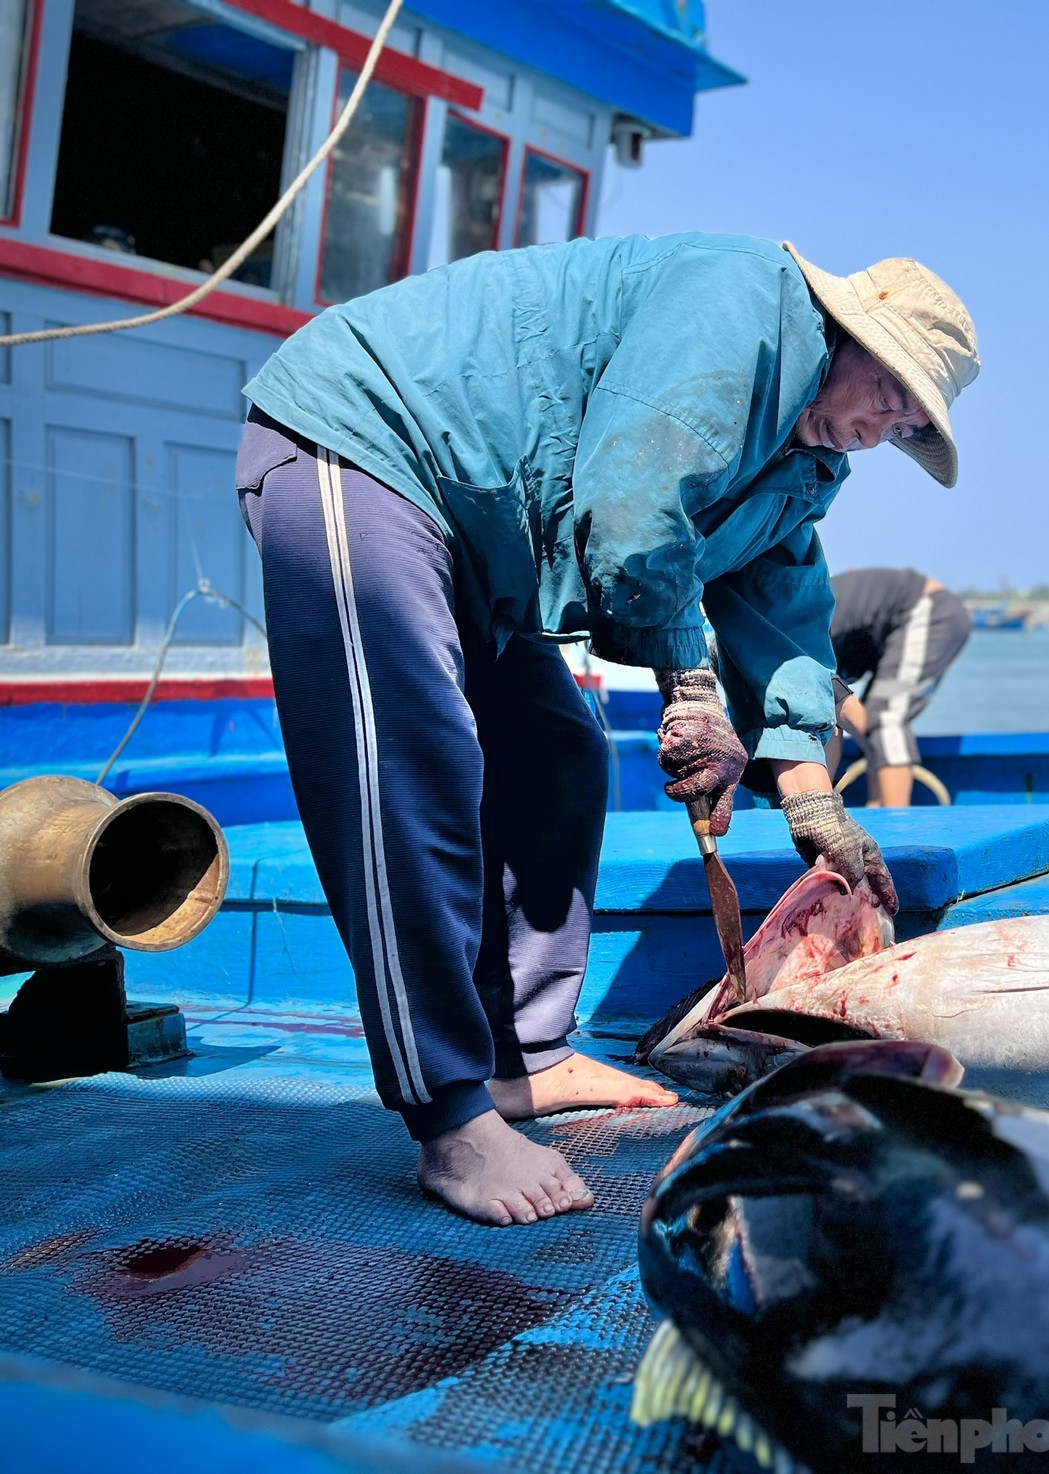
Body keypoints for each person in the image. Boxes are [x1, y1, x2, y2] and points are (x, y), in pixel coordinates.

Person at [233, 234, 979, 1225]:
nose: (890, 424)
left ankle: (524, 1057)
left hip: (483, 543)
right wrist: (690, 690)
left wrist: (812, 800)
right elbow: (634, 505)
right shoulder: (744, 303)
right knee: (413, 766)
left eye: (913, 418)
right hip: (369, 446)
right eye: (892, 388)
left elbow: (781, 608)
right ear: (843, 334)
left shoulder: (800, 466)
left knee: (559, 756)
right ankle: (451, 1116)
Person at [828, 568, 971, 806]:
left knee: (886, 718)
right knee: (875, 719)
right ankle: (876, 809)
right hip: (883, 631)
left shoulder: (788, 632)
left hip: (927, 610)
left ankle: (897, 826)